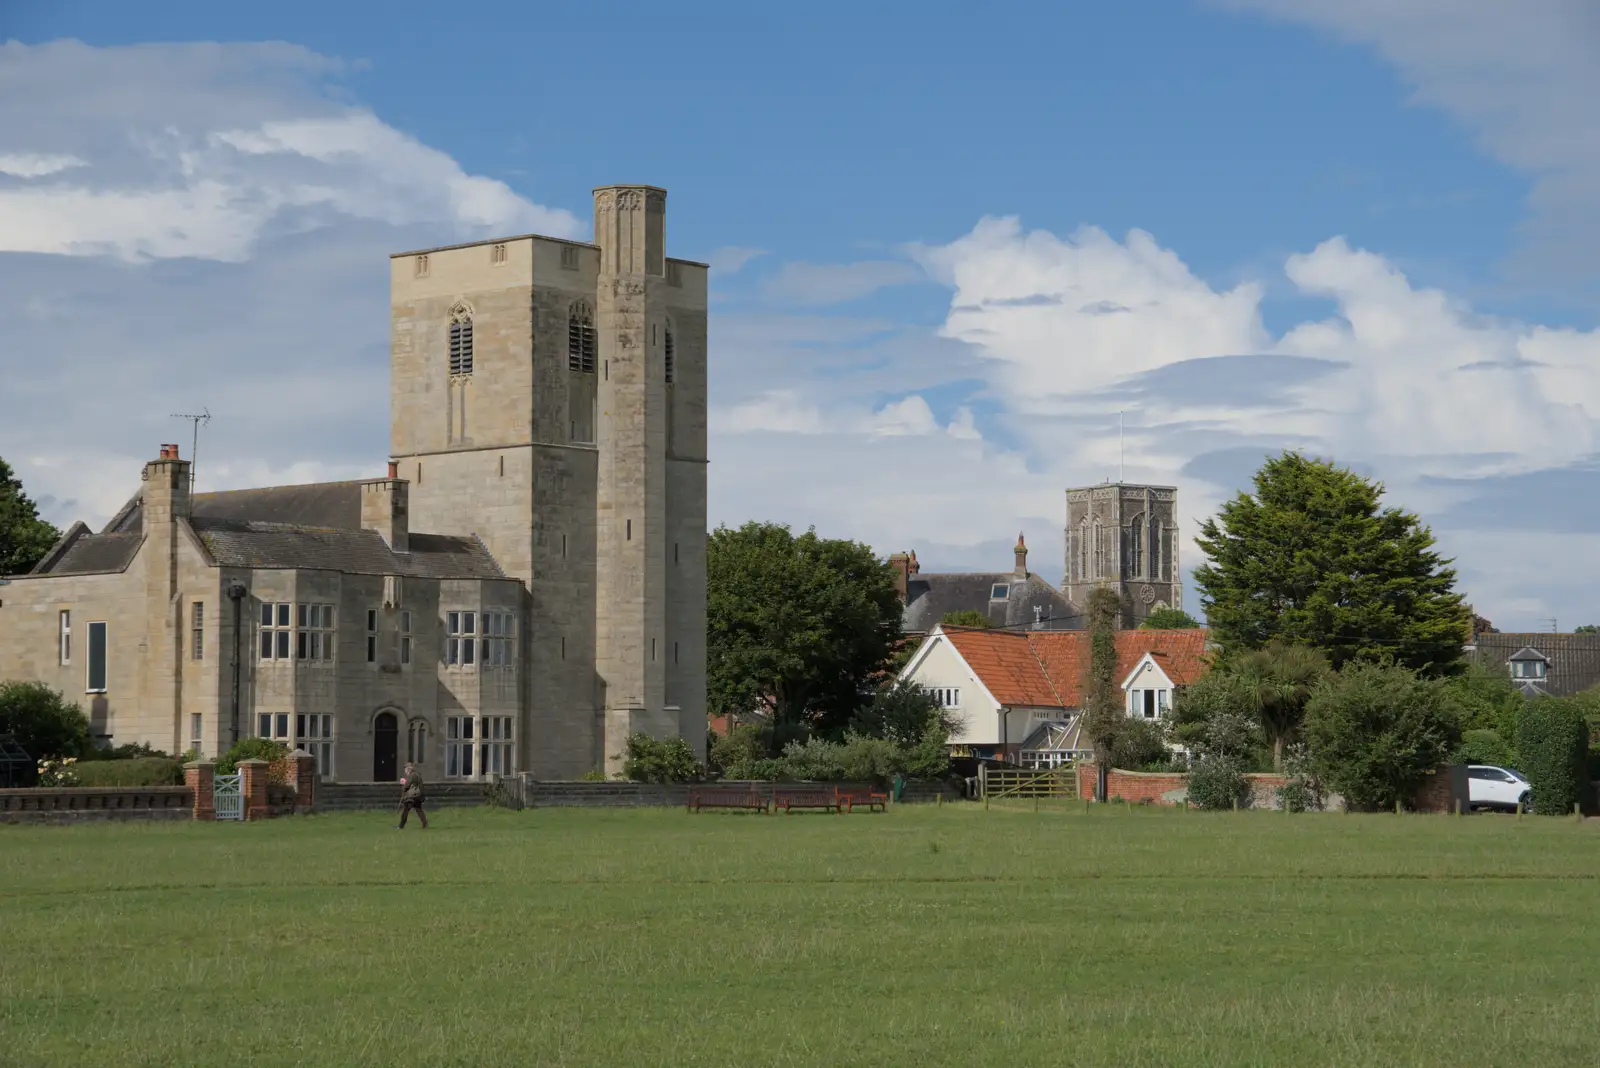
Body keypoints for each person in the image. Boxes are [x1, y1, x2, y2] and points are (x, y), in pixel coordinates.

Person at [397, 762, 428, 829]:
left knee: (406, 810)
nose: (405, 771)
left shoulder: (411, 775)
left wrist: (403, 788)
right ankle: (425, 825)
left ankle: (401, 826)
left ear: (408, 769)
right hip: (418, 796)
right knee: (419, 810)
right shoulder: (417, 775)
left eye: (405, 769)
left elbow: (407, 785)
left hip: (411, 797)